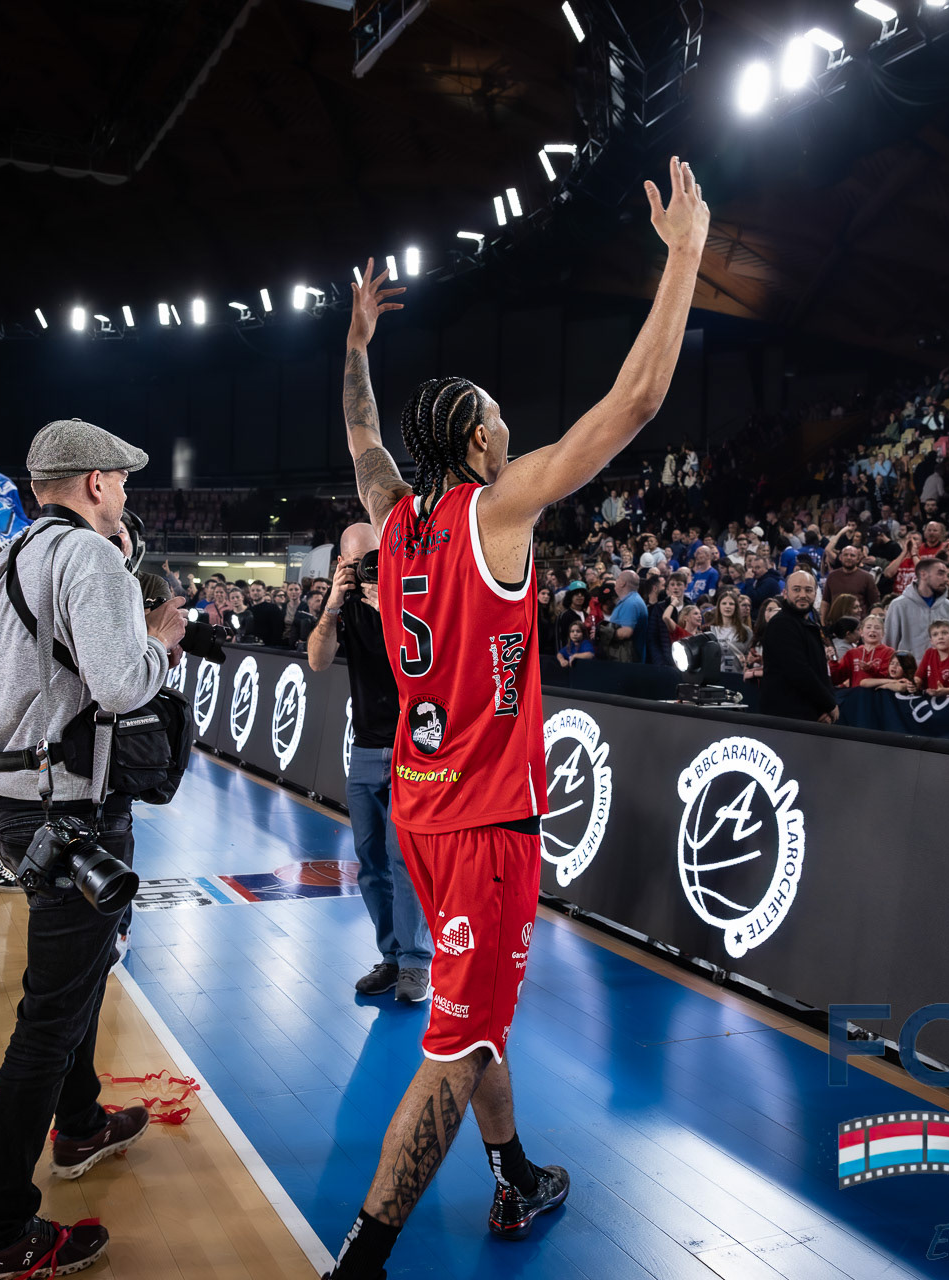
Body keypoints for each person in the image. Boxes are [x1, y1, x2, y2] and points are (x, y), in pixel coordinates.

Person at [329, 156, 709, 1280]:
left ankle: (514, 1174)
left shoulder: (391, 516)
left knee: (476, 1011)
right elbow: (633, 405)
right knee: (453, 1043)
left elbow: (361, 435)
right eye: (499, 417)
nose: (509, 424)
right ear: (480, 444)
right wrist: (686, 255)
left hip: (422, 807)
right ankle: (362, 1261)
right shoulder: (497, 512)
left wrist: (356, 343)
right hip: (487, 824)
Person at [0, 419, 187, 1278]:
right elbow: (121, 685)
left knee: (79, 981)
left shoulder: (9, 556)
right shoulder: (86, 557)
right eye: (120, 479)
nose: (125, 491)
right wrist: (161, 643)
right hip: (73, 815)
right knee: (49, 1019)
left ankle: (82, 1124)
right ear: (94, 482)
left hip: (17, 809)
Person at [308, 523, 433, 1004]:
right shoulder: (342, 606)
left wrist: (392, 610)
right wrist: (333, 604)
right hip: (364, 745)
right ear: (342, 564)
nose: (370, 569)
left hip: (411, 746)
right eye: (358, 562)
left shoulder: (415, 597)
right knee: (371, 861)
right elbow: (317, 661)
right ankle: (392, 956)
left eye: (376, 558)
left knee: (405, 858)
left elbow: (429, 666)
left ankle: (416, 962)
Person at [760, 570, 839, 724]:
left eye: (808, 590)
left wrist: (824, 707)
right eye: (796, 589)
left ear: (815, 594)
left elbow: (819, 670)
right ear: (785, 593)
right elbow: (798, 670)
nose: (803, 595)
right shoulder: (781, 624)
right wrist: (828, 704)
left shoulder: (809, 624)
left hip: (810, 715)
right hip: (786, 718)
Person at [883, 557, 949, 662]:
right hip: (908, 669)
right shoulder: (899, 605)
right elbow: (889, 644)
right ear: (923, 574)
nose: (946, 579)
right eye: (940, 574)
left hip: (941, 669)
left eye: (947, 575)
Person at [907, 620, 949, 695]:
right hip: (931, 697)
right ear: (931, 641)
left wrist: (947, 691)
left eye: (944, 633)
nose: (940, 637)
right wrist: (914, 684)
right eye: (935, 634)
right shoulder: (929, 653)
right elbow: (918, 677)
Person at [608, 568, 649, 661]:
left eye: (618, 578)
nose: (616, 581)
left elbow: (626, 632)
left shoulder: (631, 603)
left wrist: (605, 633)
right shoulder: (631, 600)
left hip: (627, 661)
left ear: (622, 583)